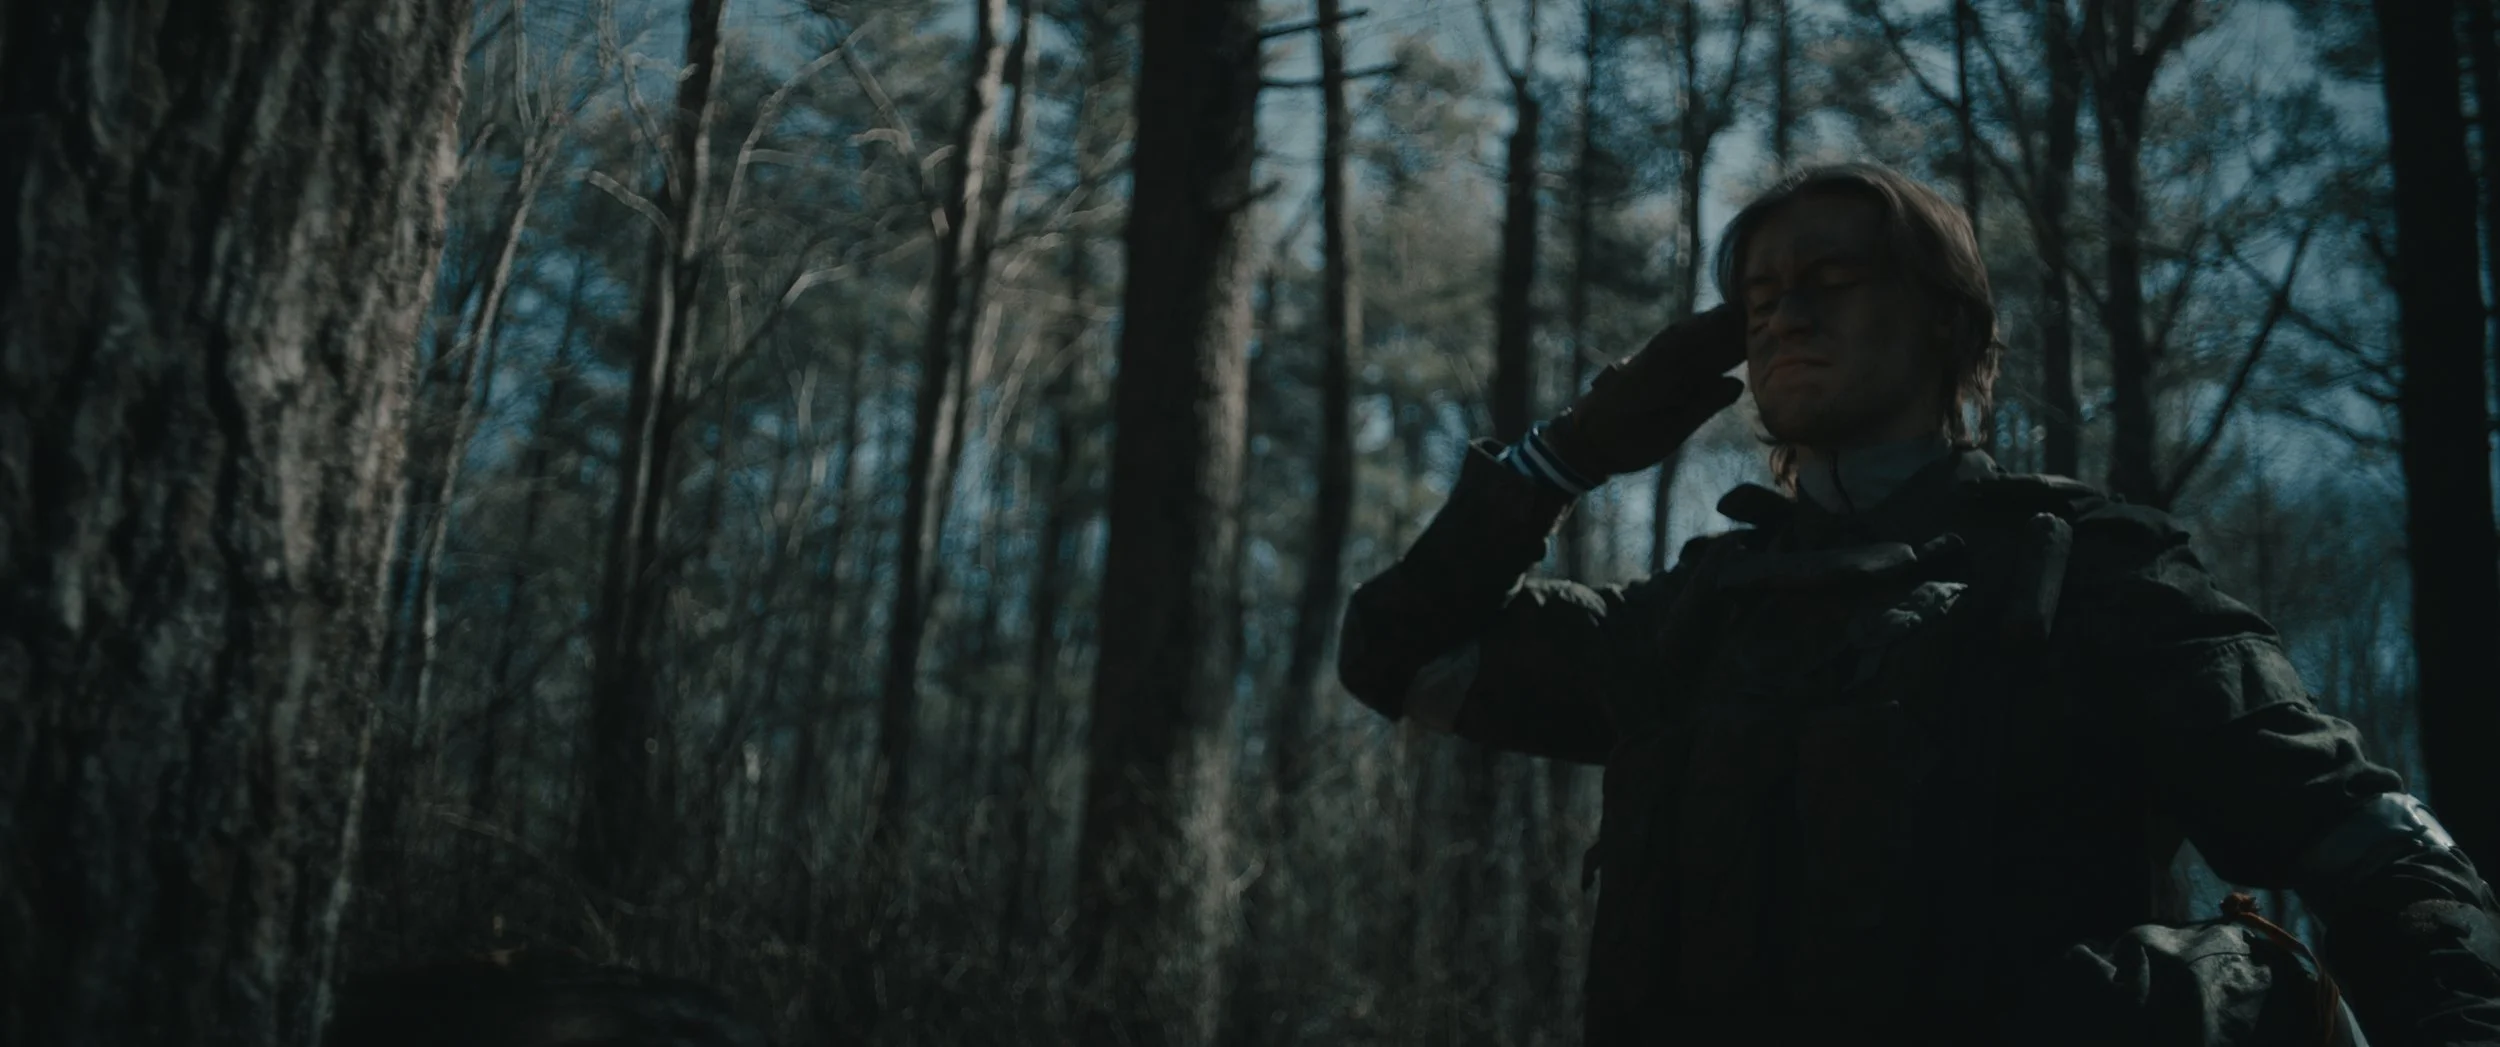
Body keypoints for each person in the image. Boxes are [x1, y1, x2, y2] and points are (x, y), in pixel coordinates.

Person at [1336, 163, 2500, 1045]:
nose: (1786, 314)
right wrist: (1570, 451)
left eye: (1832, 280)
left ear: (1951, 322)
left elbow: (2391, 865)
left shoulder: (2094, 579)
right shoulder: (1687, 621)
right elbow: (1391, 654)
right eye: (1760, 295)